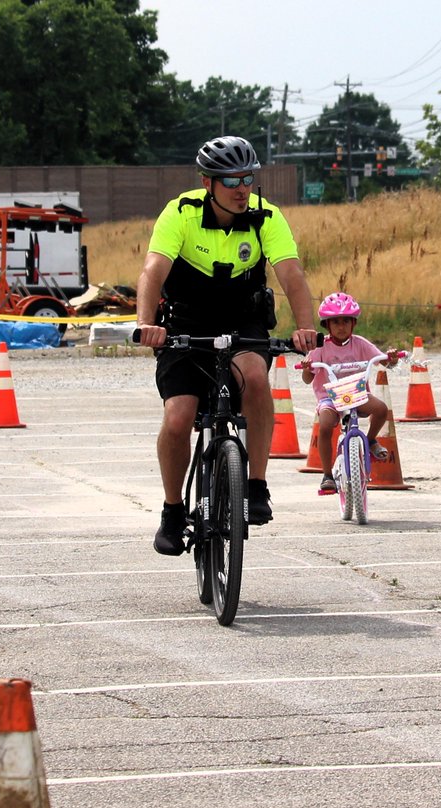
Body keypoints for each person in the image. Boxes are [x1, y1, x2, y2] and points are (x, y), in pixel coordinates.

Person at [135, 135, 319, 556]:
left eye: (248, 178)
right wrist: (147, 324)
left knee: (255, 376)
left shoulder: (265, 216)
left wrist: (305, 328)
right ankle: (172, 510)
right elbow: (153, 271)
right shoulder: (181, 212)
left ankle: (256, 485)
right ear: (208, 183)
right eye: (231, 179)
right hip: (185, 323)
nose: (242, 188)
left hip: (242, 320)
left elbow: (292, 275)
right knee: (179, 418)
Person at [299, 293, 399, 493]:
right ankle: (327, 475)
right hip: (330, 397)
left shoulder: (360, 343)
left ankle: (370, 439)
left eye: (346, 321)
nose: (341, 326)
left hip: (356, 393)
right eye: (335, 322)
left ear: (353, 323)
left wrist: (392, 358)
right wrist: (306, 368)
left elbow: (384, 361)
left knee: (380, 409)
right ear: (327, 325)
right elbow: (307, 379)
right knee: (326, 425)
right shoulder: (320, 347)